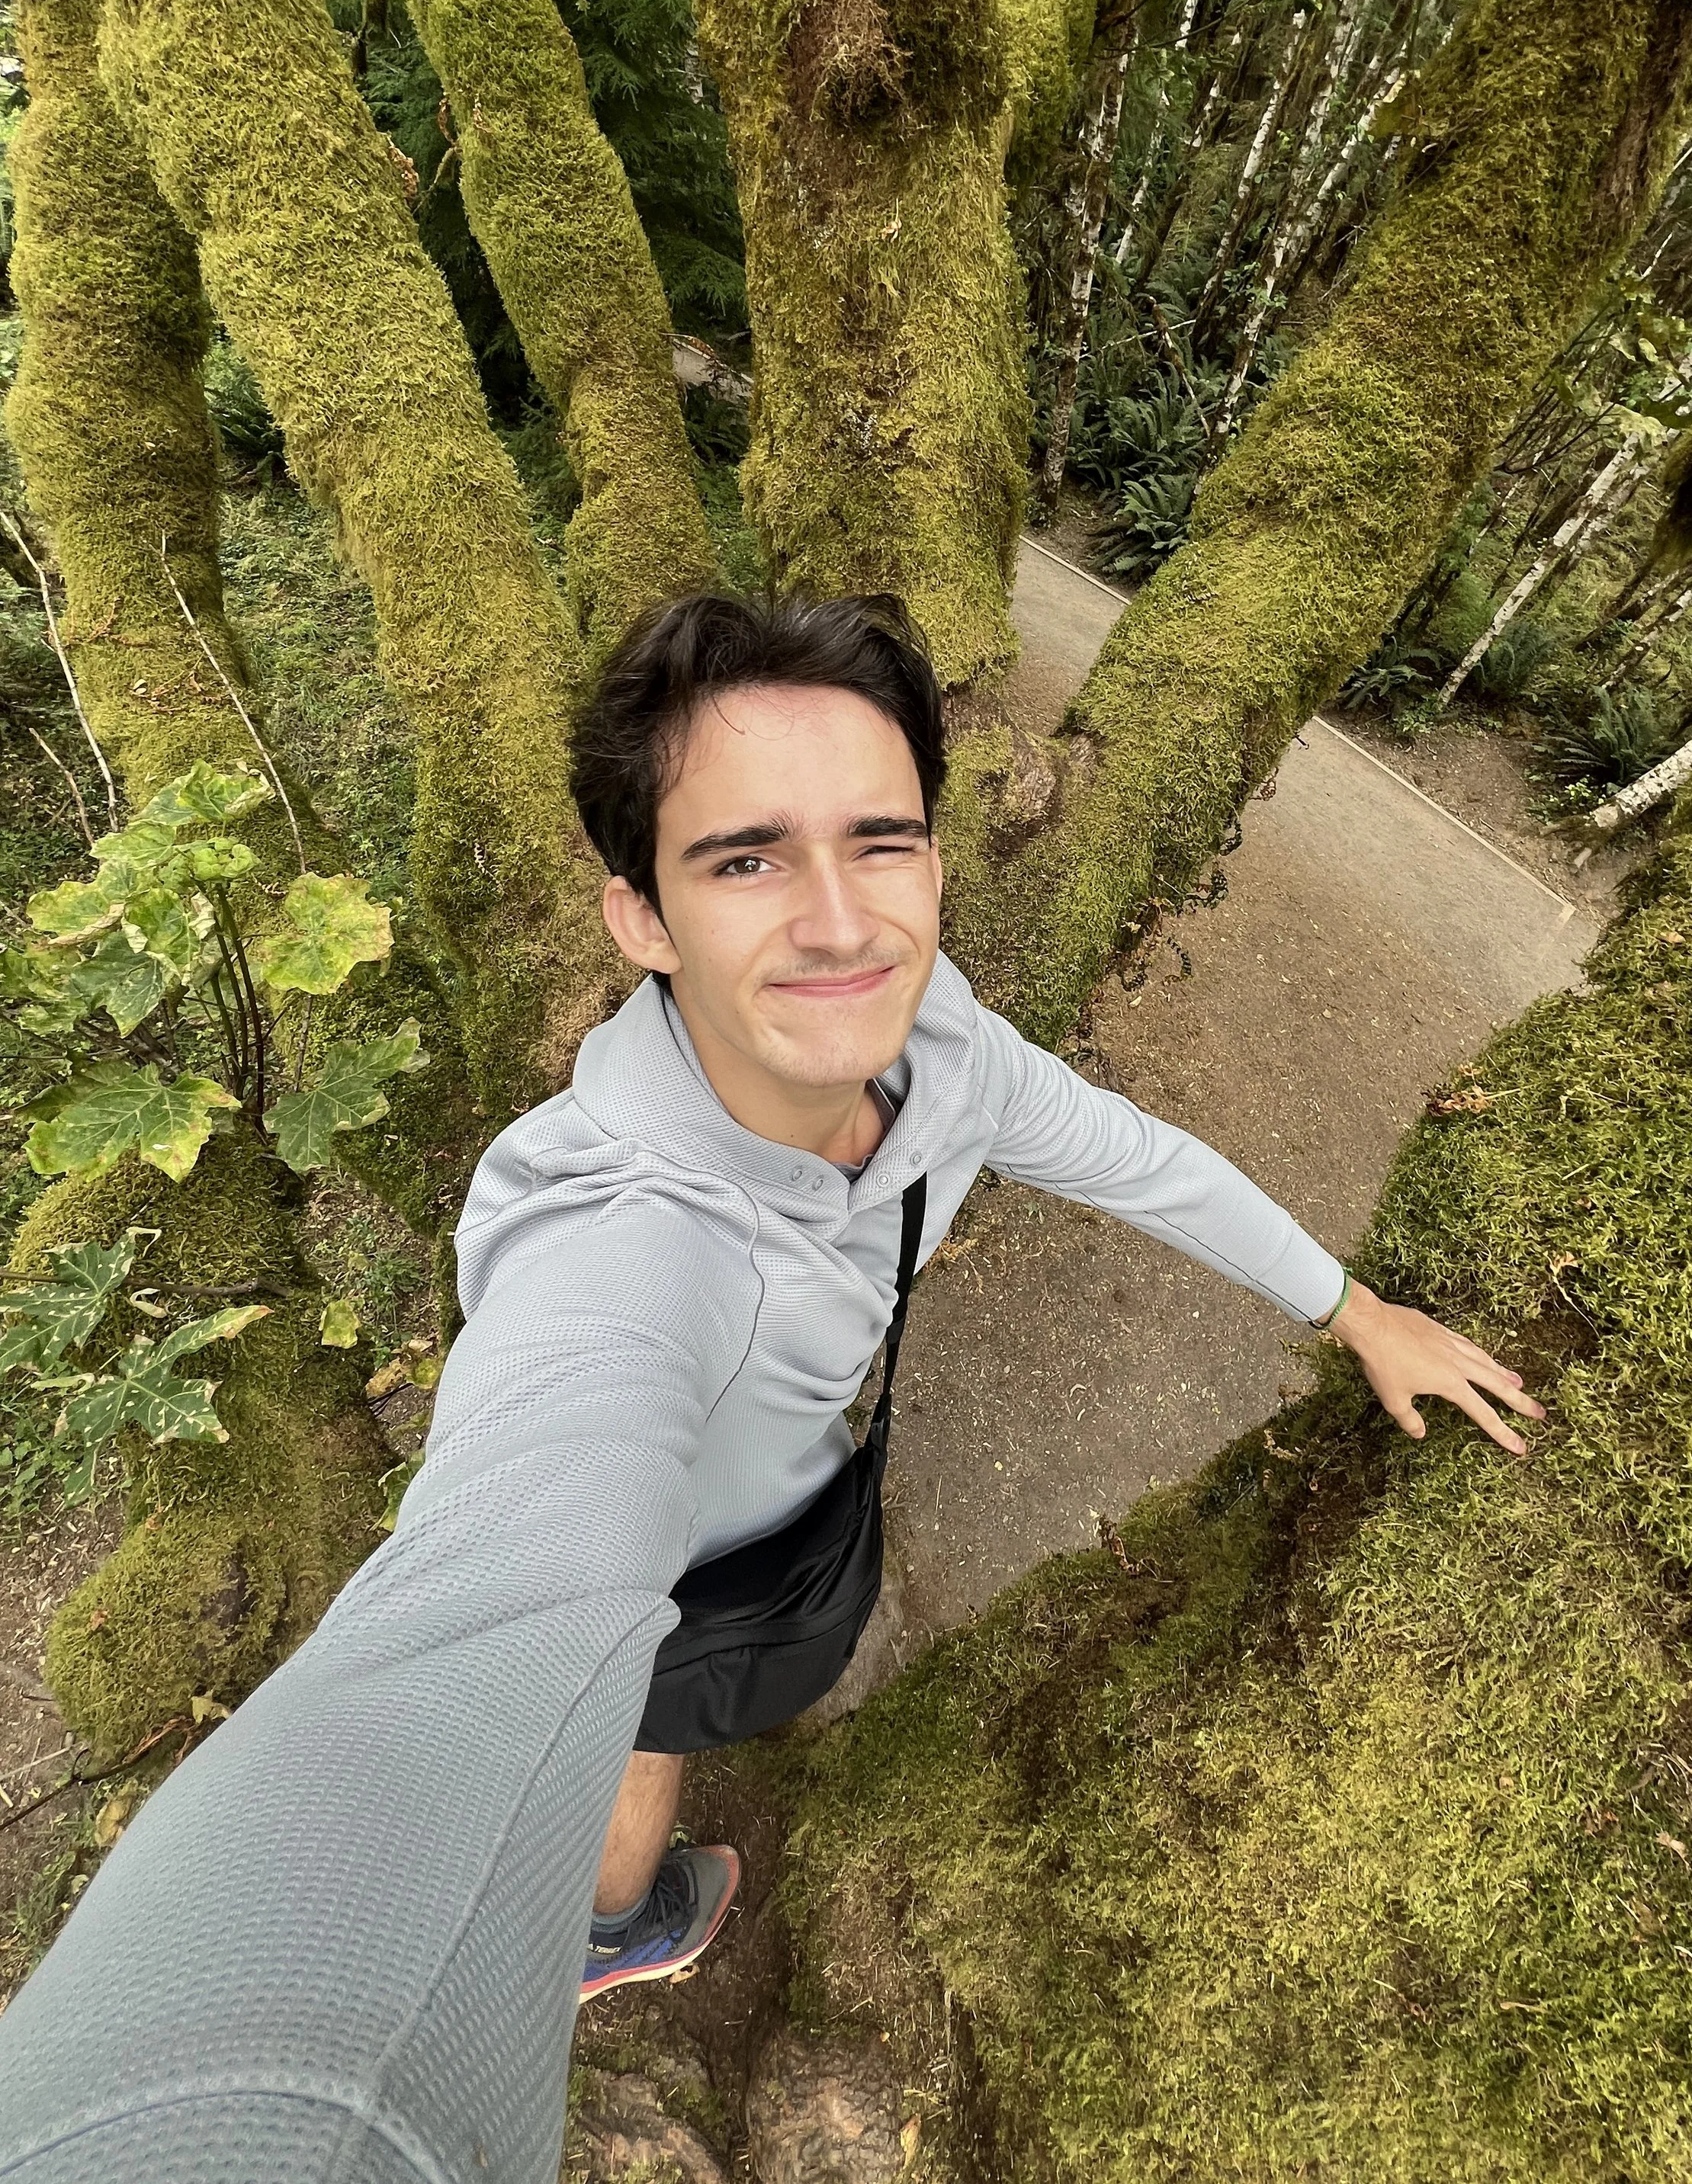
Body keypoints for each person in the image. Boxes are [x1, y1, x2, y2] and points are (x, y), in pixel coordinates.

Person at [0, 594, 1542, 2179]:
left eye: (881, 842)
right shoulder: (611, 1234)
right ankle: (617, 1925)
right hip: (669, 1576)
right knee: (643, 1733)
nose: (837, 920)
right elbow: (463, 1640)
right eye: (743, 858)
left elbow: (1127, 1156)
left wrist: (1349, 1303)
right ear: (641, 920)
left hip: (807, 1484)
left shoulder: (938, 1045)